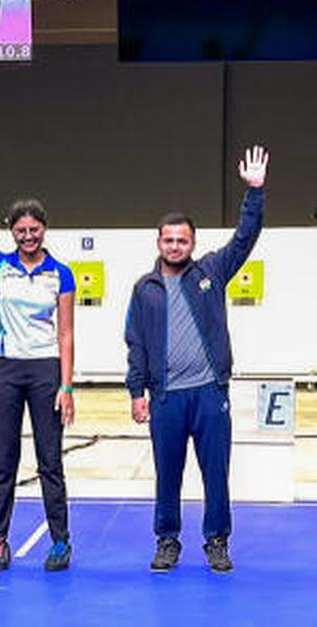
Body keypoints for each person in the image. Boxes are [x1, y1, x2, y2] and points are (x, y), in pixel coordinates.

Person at [126, 145, 268, 573]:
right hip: (166, 397)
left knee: (215, 475)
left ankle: (217, 541)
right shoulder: (144, 288)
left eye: (182, 240)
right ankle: (167, 541)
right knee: (166, 475)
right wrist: (137, 392)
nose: (175, 246)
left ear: (192, 243)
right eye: (168, 240)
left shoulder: (211, 271)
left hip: (209, 393)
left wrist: (255, 192)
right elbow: (134, 342)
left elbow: (245, 237)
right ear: (158, 242)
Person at [0, 137, 76, 572]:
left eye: (34, 230)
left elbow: (66, 334)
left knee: (50, 462)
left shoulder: (60, 274)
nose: (27, 236)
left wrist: (66, 385)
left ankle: (60, 541)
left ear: (44, 229)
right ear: (12, 232)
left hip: (45, 371)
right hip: (4, 371)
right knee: (5, 462)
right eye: (20, 231)